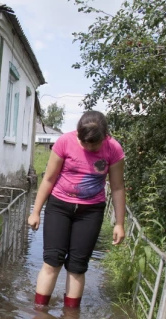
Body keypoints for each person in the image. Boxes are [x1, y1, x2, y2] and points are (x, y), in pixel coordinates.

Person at [28, 110, 126, 308]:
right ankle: (39, 315)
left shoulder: (113, 149)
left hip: (90, 212)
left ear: (104, 136)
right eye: (84, 142)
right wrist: (36, 211)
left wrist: (120, 223)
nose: (89, 147)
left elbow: (117, 187)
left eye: (94, 144)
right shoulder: (65, 142)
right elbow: (48, 179)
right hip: (59, 207)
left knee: (77, 266)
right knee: (52, 261)